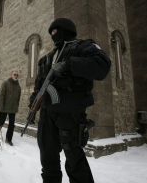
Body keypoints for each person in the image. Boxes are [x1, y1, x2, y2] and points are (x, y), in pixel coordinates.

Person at [29, 18, 111, 183]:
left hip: (70, 113)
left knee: (74, 159)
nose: (54, 36)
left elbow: (102, 65)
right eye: (51, 33)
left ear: (66, 30)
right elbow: (39, 86)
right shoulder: (47, 59)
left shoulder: (82, 47)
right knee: (47, 156)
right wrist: (32, 106)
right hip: (47, 114)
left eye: (56, 31)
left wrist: (69, 65)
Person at [0, 71, 21, 146]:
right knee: (1, 121)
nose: (16, 76)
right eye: (14, 74)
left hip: (13, 108)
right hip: (5, 107)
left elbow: (18, 98)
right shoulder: (6, 83)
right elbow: (1, 95)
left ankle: (9, 139)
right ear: (11, 75)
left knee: (11, 124)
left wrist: (17, 106)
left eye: (17, 75)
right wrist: (0, 107)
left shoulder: (18, 86)